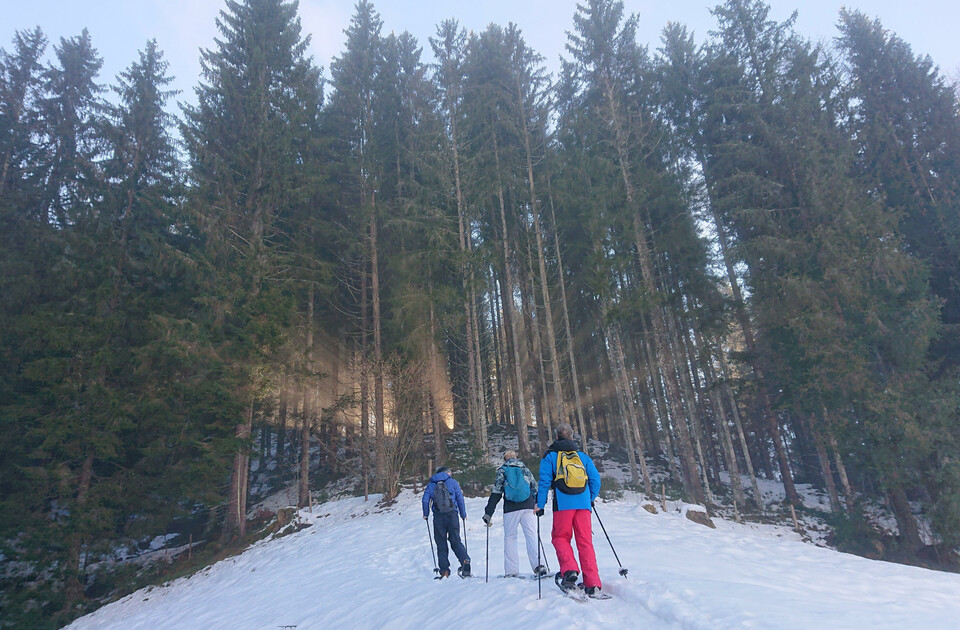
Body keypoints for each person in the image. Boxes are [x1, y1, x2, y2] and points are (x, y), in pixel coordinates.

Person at [536, 423, 602, 596]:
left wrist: (540, 504)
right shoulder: (582, 456)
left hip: (563, 504)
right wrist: (589, 498)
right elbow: (596, 480)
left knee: (560, 537)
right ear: (572, 438)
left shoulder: (550, 456)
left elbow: (544, 482)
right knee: (585, 541)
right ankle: (592, 583)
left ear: (556, 437)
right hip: (583, 505)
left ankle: (570, 570)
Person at [481, 450, 548, 578]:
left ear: (505, 459)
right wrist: (539, 505)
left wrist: (489, 512)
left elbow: (496, 492)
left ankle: (511, 571)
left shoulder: (503, 470)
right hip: (528, 505)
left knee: (510, 537)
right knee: (532, 535)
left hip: (510, 508)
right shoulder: (524, 468)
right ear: (516, 458)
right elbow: (534, 487)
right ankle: (539, 566)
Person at [422, 466, 471, 578]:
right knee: (455, 540)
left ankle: (444, 571)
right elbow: (460, 499)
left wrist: (426, 514)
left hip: (438, 517)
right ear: (447, 473)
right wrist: (463, 514)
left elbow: (425, 500)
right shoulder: (452, 482)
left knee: (441, 543)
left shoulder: (431, 484)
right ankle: (465, 561)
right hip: (452, 515)